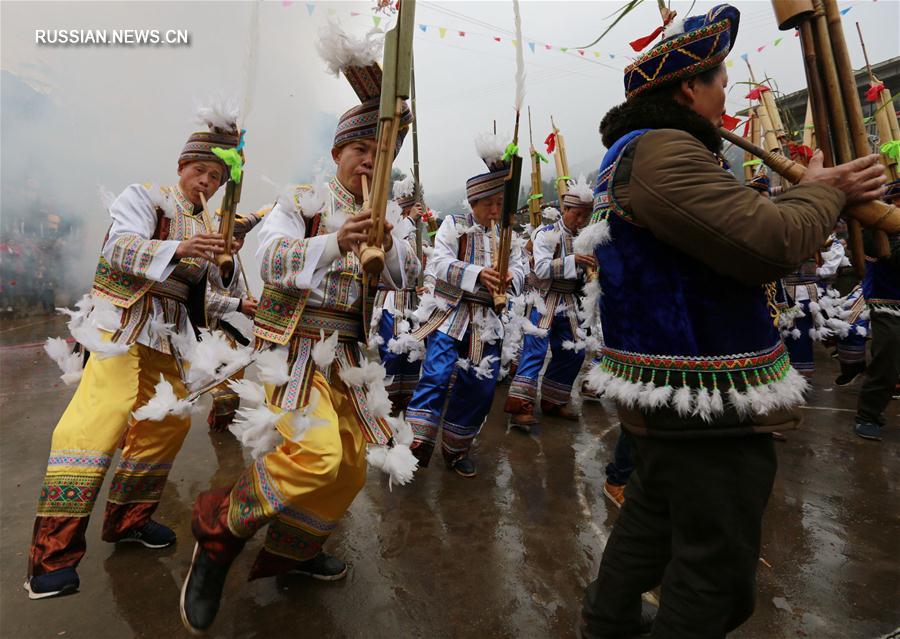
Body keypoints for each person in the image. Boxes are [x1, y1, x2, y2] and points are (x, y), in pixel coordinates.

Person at [577, 5, 886, 637]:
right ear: (690, 88)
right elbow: (767, 242)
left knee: (651, 521)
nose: (727, 94)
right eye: (719, 81)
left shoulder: (650, 150)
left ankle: (605, 626)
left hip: (673, 395)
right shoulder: (662, 151)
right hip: (701, 401)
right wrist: (826, 189)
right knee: (714, 578)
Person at [180, 25, 419, 634]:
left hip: (346, 358)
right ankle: (218, 530)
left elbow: (406, 279)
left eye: (380, 152)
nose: (370, 162)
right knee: (316, 455)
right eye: (361, 149)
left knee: (352, 468)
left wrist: (385, 245)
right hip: (293, 350)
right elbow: (265, 263)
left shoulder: (392, 215)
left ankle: (293, 555)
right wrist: (335, 239)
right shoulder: (303, 202)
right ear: (340, 151)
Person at [25, 109, 239, 599]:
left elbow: (197, 295)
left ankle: (129, 520)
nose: (206, 181)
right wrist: (183, 245)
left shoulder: (209, 221)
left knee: (168, 423)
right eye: (199, 171)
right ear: (181, 167)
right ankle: (50, 557)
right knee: (101, 418)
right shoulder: (146, 197)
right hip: (122, 327)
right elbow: (120, 249)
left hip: (168, 335)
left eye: (216, 177)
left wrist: (235, 299)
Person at [403, 132, 526, 477]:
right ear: (473, 203)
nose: (495, 210)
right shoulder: (453, 227)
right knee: (437, 374)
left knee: (480, 386)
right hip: (451, 314)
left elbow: (522, 269)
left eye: (500, 204)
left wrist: (508, 278)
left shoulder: (508, 235)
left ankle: (456, 449)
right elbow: (438, 264)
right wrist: (477, 273)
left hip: (487, 321)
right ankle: (415, 443)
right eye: (489, 204)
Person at [504, 177, 595, 430]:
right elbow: (542, 269)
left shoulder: (587, 237)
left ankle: (554, 402)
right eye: (577, 215)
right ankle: (520, 408)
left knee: (574, 351)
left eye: (586, 216)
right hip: (545, 300)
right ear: (565, 210)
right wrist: (575, 259)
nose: (581, 221)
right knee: (535, 352)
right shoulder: (545, 234)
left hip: (570, 301)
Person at [371, 176, 426, 413]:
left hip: (413, 300)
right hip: (392, 299)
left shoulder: (416, 229)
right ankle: (386, 404)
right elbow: (398, 254)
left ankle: (405, 401)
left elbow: (422, 262)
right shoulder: (396, 225)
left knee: (413, 352)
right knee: (393, 351)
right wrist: (410, 220)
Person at [854, 179, 900, 440]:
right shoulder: (874, 227)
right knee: (888, 360)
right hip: (887, 303)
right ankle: (868, 414)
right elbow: (893, 260)